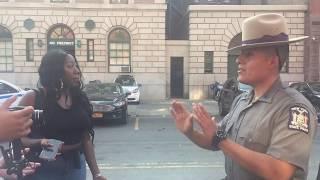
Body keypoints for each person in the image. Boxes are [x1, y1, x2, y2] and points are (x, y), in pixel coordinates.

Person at [171, 13, 317, 180]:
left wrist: (220, 140)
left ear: (272, 61)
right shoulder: (242, 100)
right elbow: (215, 140)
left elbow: (280, 172)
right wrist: (190, 132)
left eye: (248, 54)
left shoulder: (293, 108)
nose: (238, 60)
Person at [19, 49, 107, 180]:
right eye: (70, 66)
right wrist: (40, 142)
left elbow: (85, 137)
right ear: (55, 71)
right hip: (42, 168)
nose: (77, 71)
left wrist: (96, 173)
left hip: (76, 167)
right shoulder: (33, 98)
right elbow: (19, 139)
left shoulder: (79, 98)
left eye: (76, 65)